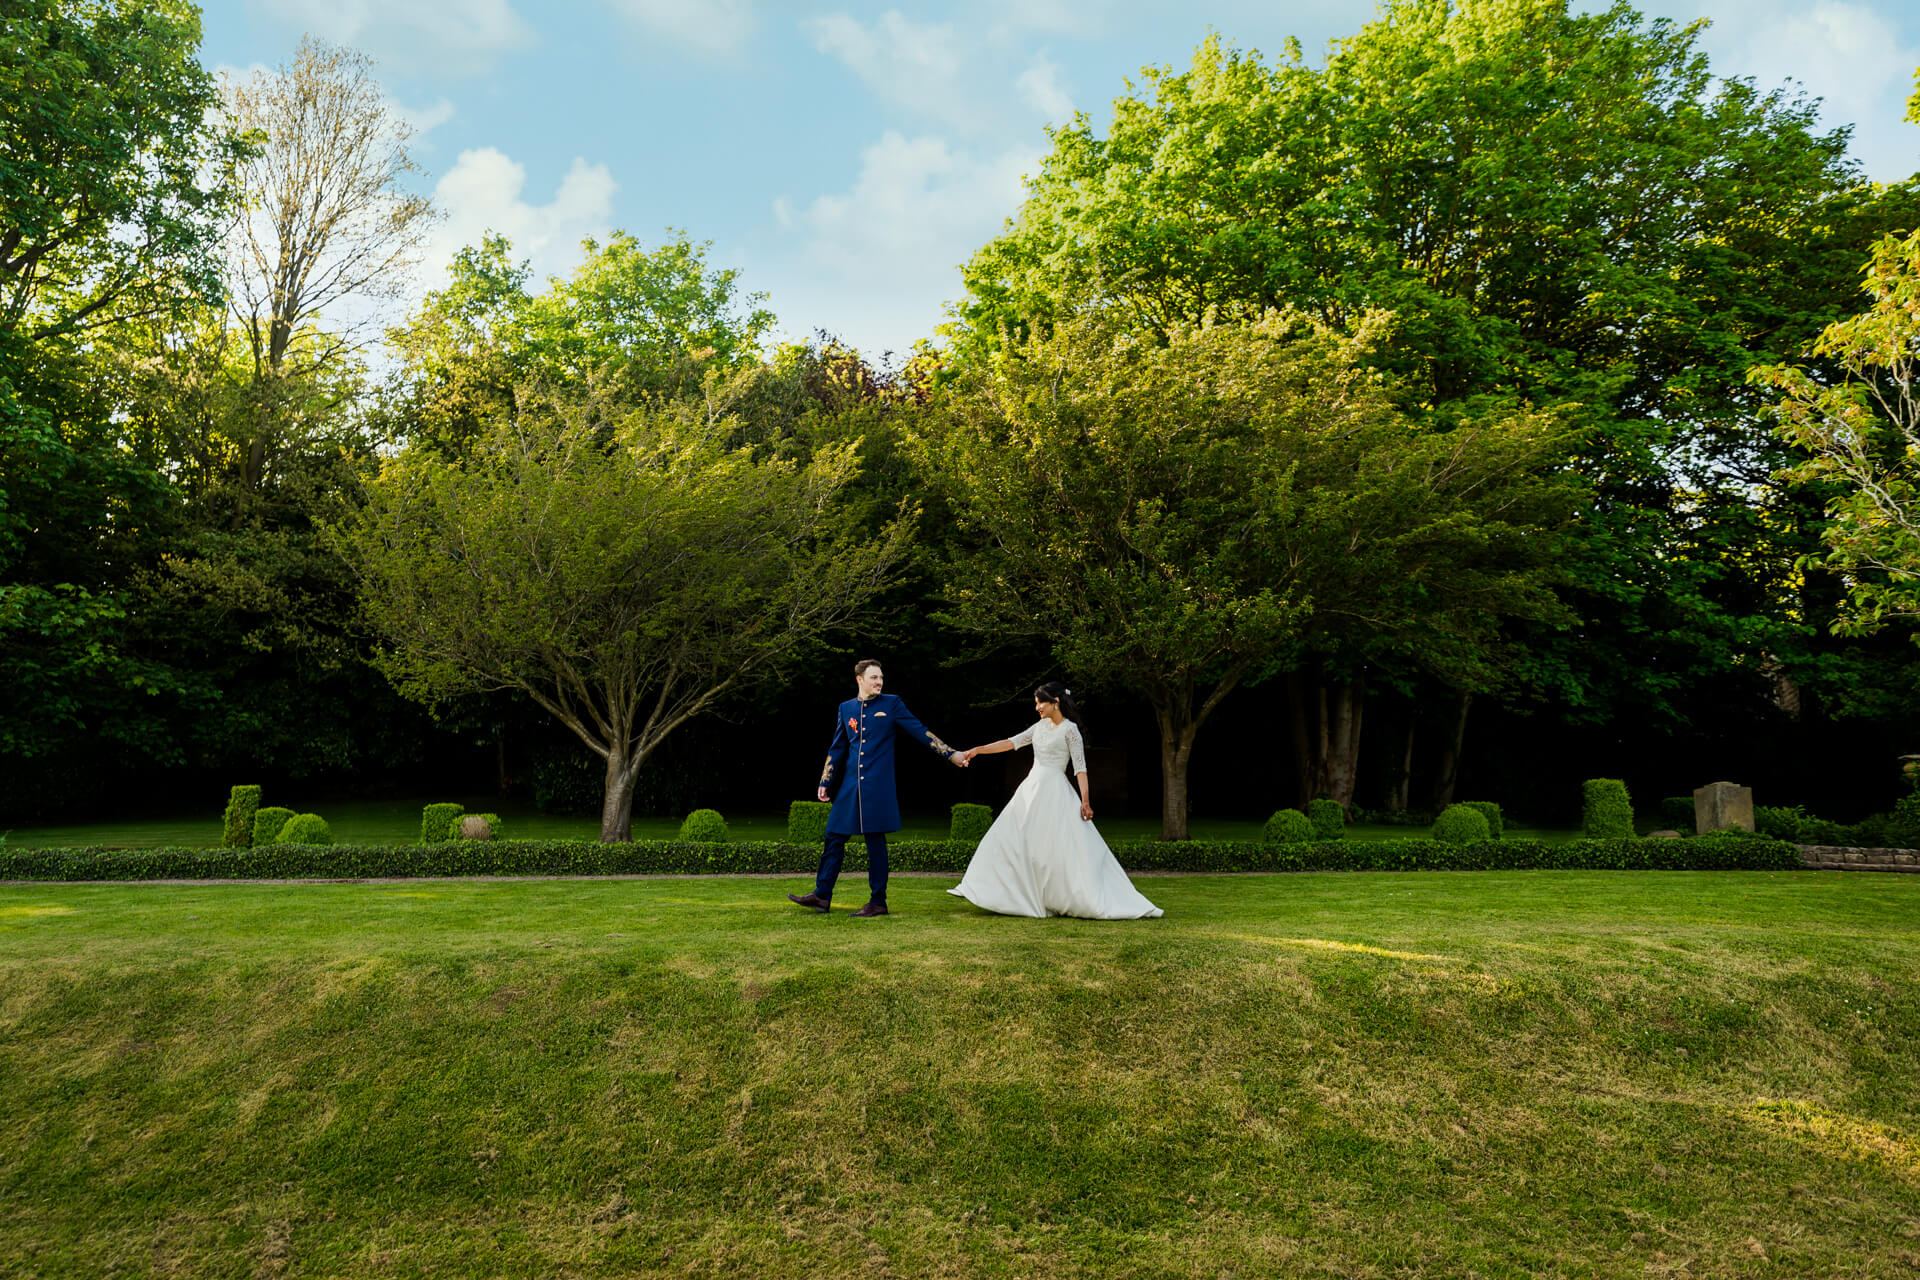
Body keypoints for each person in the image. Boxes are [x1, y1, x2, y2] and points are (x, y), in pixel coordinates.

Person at [947, 682, 1162, 920]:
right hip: (1031, 789)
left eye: (1041, 702)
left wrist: (1085, 801)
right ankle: (977, 887)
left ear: (1055, 702)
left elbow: (1080, 769)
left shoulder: (1070, 731)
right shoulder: (1039, 727)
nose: (1037, 707)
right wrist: (978, 749)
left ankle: (1056, 897)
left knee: (1057, 847)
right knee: (1005, 837)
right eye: (1036, 703)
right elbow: (1010, 742)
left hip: (1055, 791)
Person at [788, 659, 968, 917]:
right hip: (850, 787)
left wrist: (951, 754)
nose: (879, 682)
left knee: (875, 843)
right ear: (859, 679)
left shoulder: (892, 704)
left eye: (881, 677)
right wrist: (825, 781)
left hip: (877, 787)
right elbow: (837, 747)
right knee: (833, 838)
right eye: (874, 677)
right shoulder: (845, 708)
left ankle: (877, 902)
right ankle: (821, 896)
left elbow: (920, 731)